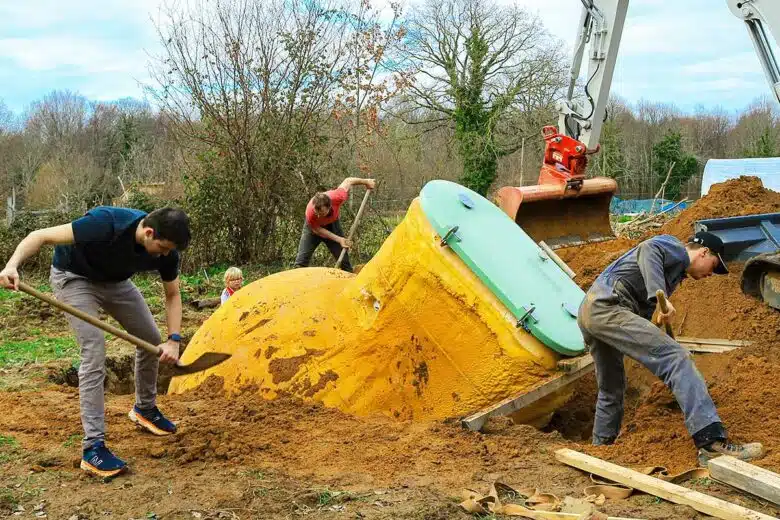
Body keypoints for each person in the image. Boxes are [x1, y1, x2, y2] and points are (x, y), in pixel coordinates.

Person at [0, 206, 191, 478]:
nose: (164, 254)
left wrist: (173, 340)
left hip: (115, 282)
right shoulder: (106, 224)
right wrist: (11, 265)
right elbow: (39, 235)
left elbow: (173, 295)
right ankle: (93, 448)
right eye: (161, 247)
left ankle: (145, 409)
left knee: (150, 338)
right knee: (94, 350)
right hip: (74, 278)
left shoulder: (168, 252)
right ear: (149, 232)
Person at [577, 231, 765, 466]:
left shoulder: (674, 272)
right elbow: (648, 248)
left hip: (591, 310)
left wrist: (653, 321)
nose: (710, 274)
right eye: (713, 266)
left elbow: (637, 300)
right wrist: (661, 298)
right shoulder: (675, 248)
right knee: (677, 357)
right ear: (704, 252)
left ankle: (600, 450)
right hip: (609, 307)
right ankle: (711, 443)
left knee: (611, 388)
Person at [294, 177, 376, 272]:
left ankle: (348, 280)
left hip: (332, 225)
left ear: (329, 207)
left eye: (321, 213)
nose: (318, 216)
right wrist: (339, 239)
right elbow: (317, 230)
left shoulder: (337, 197)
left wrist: (366, 182)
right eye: (317, 213)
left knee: (344, 262)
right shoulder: (310, 212)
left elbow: (348, 181)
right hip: (313, 229)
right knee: (300, 262)